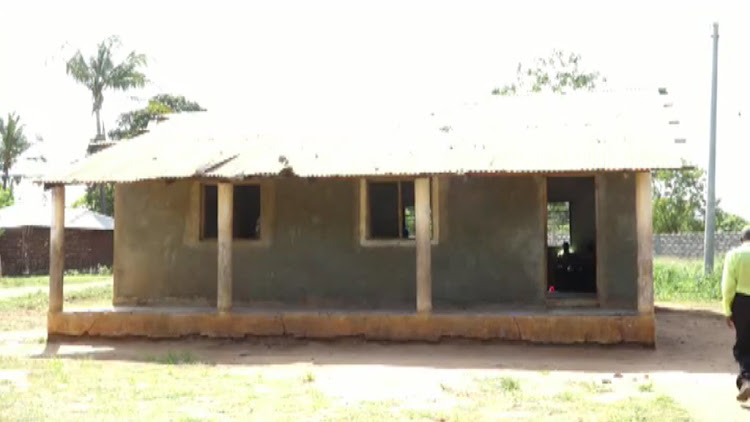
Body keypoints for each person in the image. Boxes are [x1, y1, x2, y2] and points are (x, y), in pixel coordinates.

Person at [722, 226, 750, 401]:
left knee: (744, 344)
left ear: (742, 239)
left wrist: (727, 310)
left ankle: (746, 380)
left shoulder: (734, 254)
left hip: (741, 303)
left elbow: (728, 286)